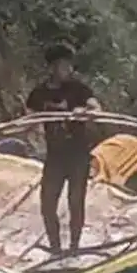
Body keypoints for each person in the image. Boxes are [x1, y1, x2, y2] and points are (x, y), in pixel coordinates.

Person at [25, 43, 101, 254]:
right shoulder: (39, 94)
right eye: (64, 65)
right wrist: (30, 123)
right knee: (47, 203)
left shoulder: (79, 89)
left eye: (70, 65)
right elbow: (28, 118)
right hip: (55, 157)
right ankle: (55, 248)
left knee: (76, 201)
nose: (69, 69)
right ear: (52, 68)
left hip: (78, 156)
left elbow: (97, 108)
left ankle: (74, 246)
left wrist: (84, 111)